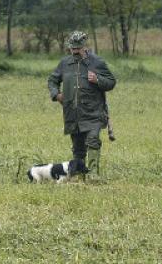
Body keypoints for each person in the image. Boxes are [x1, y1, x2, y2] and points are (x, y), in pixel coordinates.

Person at [48, 31, 116, 178]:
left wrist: (98, 79)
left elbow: (111, 82)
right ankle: (79, 175)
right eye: (72, 48)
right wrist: (56, 94)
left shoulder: (97, 62)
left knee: (93, 140)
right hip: (73, 113)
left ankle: (93, 175)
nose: (75, 51)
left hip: (93, 113)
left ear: (84, 47)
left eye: (77, 48)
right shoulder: (65, 63)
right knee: (78, 148)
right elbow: (52, 81)